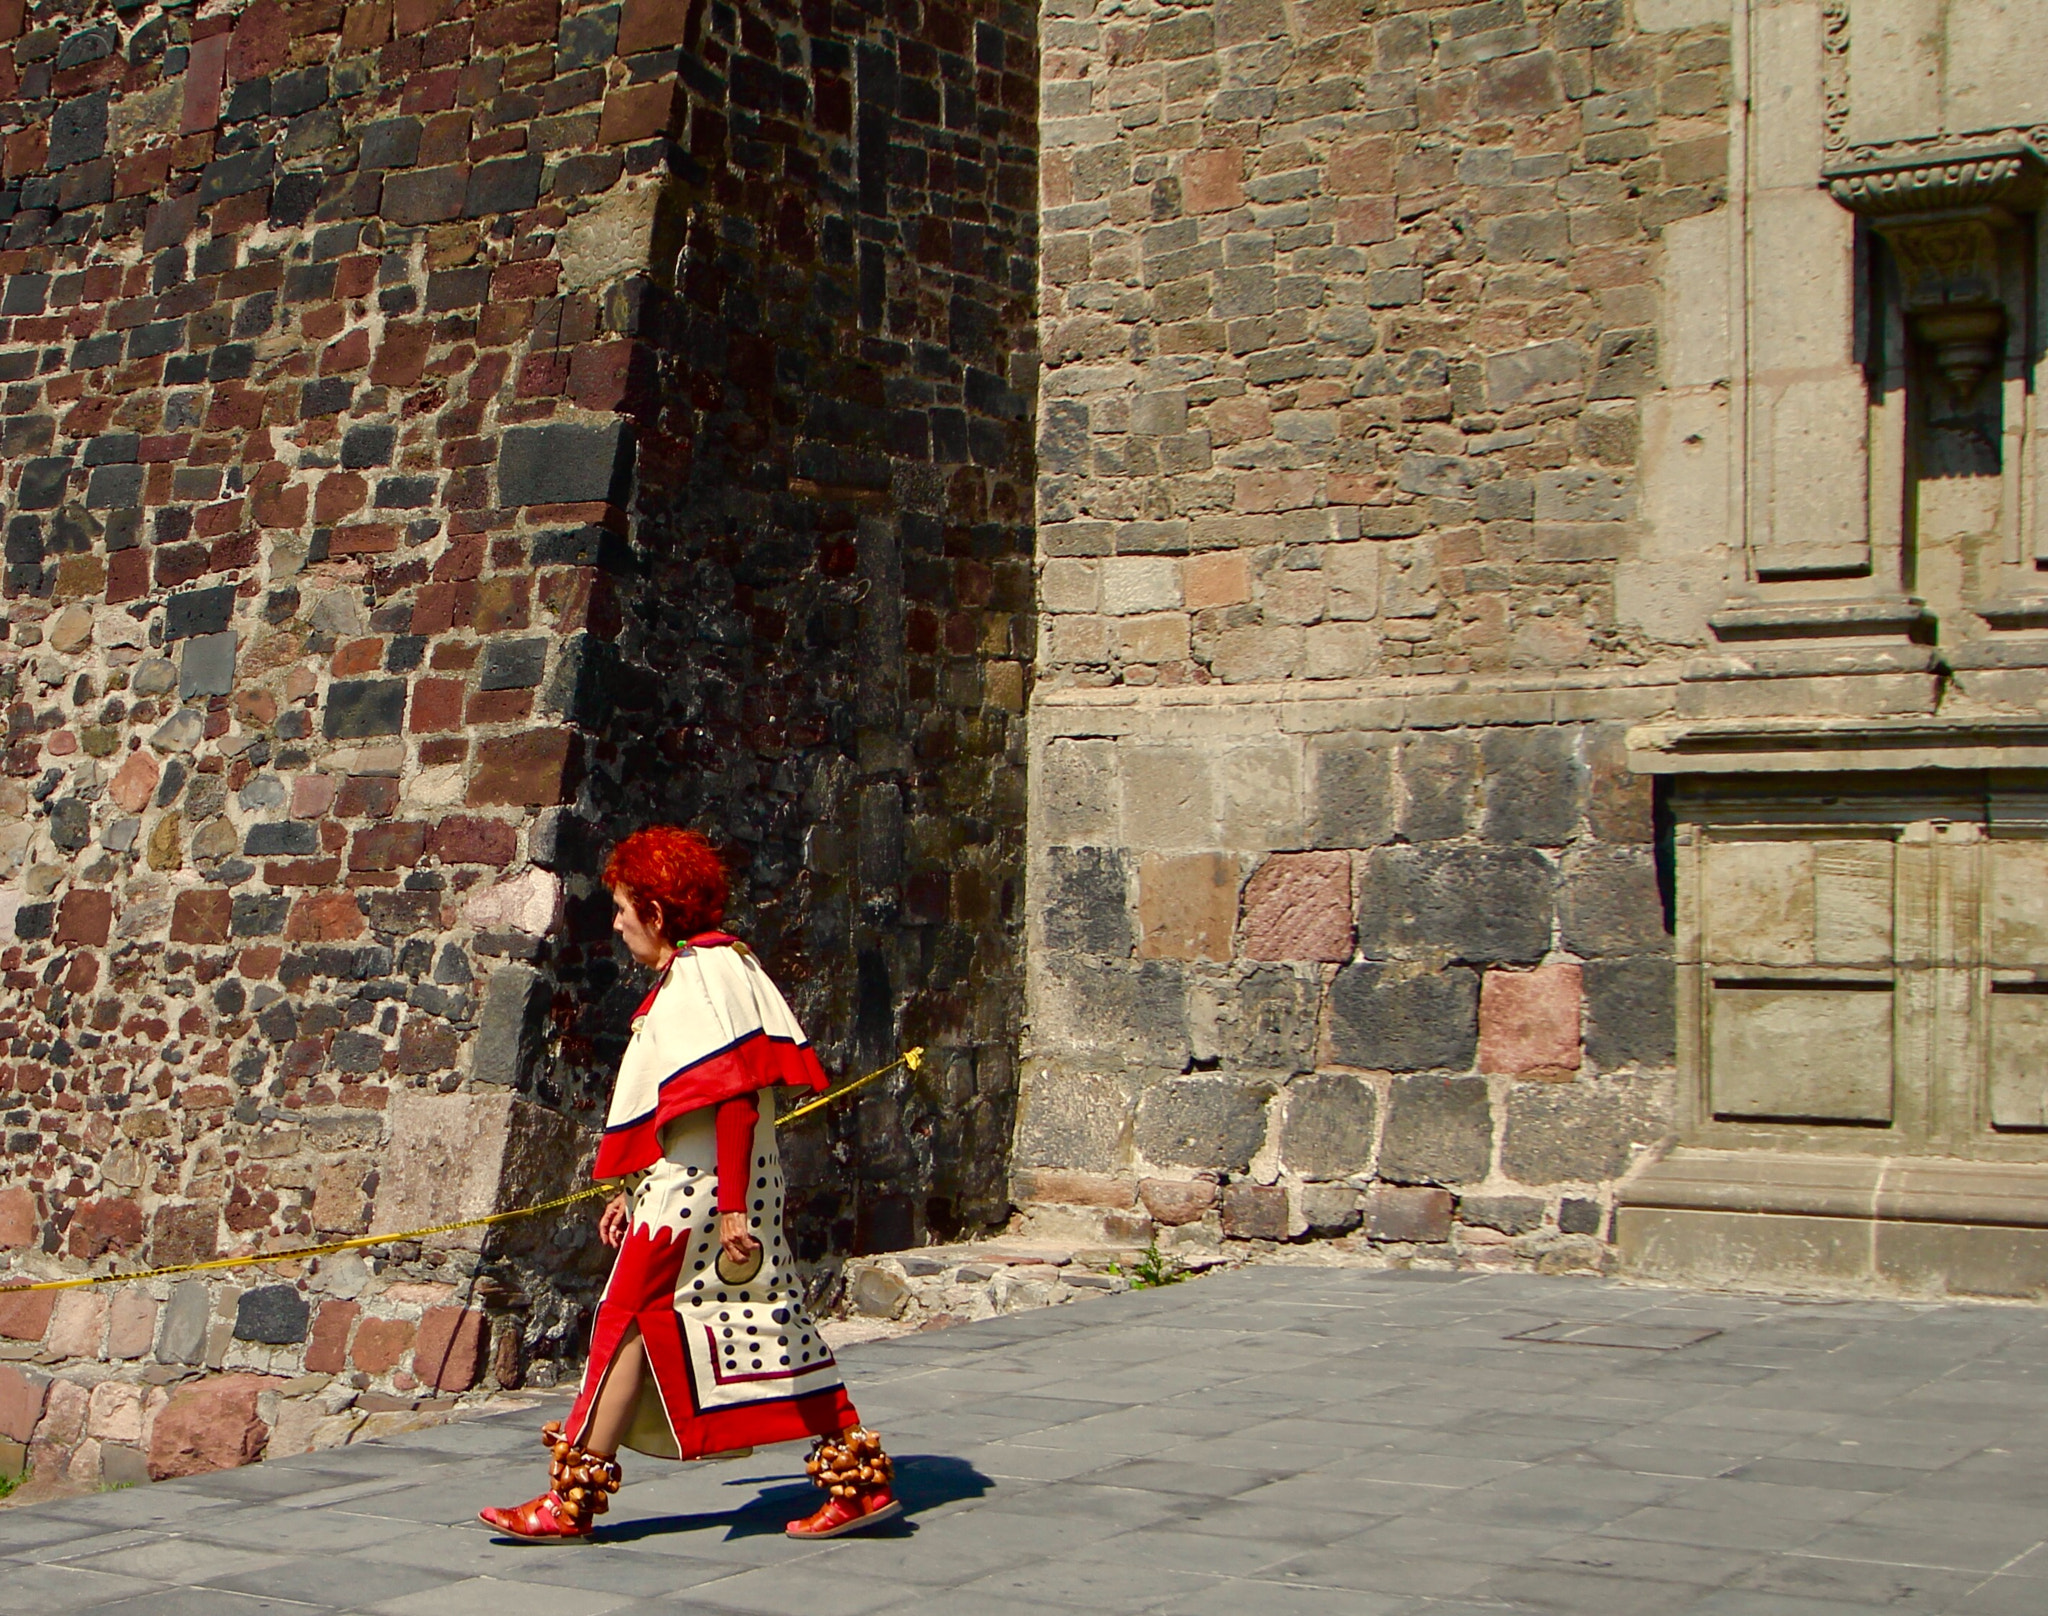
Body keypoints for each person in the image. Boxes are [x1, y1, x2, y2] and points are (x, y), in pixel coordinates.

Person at [479, 826, 901, 1542]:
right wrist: (632, 1185)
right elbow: (683, 1105)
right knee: (760, 1323)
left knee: (624, 1323)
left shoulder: (703, 977)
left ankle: (570, 1503)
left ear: (657, 907)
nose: (616, 923)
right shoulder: (715, 969)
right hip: (701, 1188)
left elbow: (733, 1096)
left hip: (702, 1197)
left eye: (622, 907)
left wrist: (732, 1207)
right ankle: (855, 1478)